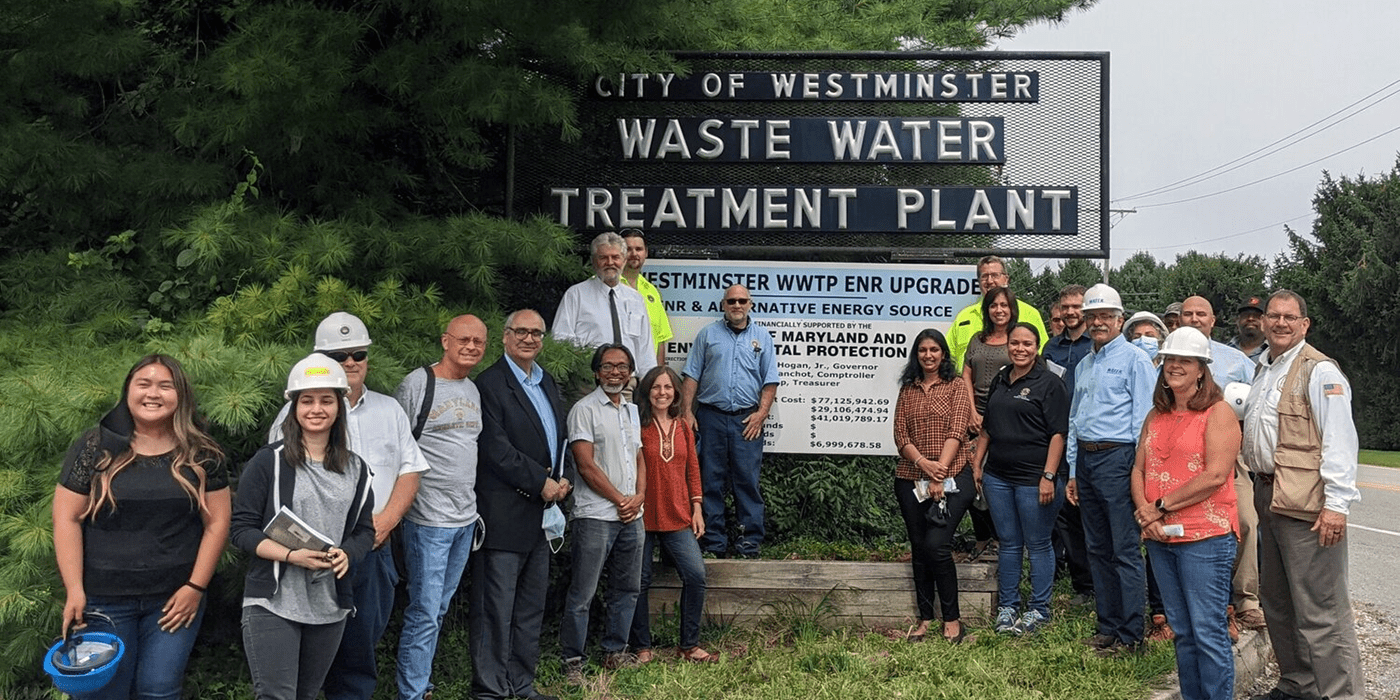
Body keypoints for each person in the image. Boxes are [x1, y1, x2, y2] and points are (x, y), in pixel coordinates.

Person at [267, 313, 429, 700]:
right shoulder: (292, 416)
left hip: (371, 552)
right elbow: (275, 487)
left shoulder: (389, 410)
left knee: (359, 654)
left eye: (358, 353)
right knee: (306, 655)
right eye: (339, 356)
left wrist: (384, 524)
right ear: (319, 359)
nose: (351, 362)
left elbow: (411, 470)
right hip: (311, 556)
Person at [54, 355, 229, 700]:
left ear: (181, 395)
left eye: (166, 385)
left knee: (159, 690)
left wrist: (195, 587)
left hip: (174, 600)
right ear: (128, 392)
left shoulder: (202, 453)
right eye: (144, 384)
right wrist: (74, 590)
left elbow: (218, 521)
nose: (154, 393)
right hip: (103, 599)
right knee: (104, 691)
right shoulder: (95, 447)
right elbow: (66, 518)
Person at [1241, 290, 1364, 700]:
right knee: (1277, 602)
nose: (1279, 323)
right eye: (1273, 316)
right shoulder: (1264, 369)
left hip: (1308, 506)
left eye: (1289, 317)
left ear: (1304, 324)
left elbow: (1340, 441)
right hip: (1268, 495)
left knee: (1321, 612)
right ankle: (1298, 685)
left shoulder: (1320, 371)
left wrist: (1336, 506)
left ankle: (1341, 694)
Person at [232, 354, 375, 700]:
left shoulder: (357, 469)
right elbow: (241, 529)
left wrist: (348, 554)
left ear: (339, 407)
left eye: (326, 400)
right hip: (273, 601)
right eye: (307, 400)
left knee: (308, 695)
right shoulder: (269, 461)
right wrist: (290, 555)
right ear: (294, 407)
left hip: (329, 604)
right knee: (276, 695)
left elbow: (365, 531)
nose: (316, 409)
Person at [1131, 327, 1241, 700]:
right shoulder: (1155, 415)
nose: (1175, 366)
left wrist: (1160, 507)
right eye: (1169, 360)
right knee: (1182, 629)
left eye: (1185, 361)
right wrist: (1148, 516)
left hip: (1204, 537)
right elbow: (1139, 470)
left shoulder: (1218, 412)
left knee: (1208, 631)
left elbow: (1214, 476)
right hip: (1161, 537)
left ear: (1201, 370)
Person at [470, 309, 573, 700]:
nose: (529, 339)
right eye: (521, 332)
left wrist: (563, 479)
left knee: (530, 608)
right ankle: (490, 691)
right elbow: (495, 449)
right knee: (495, 610)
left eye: (536, 333)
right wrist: (539, 483)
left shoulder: (546, 382)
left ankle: (521, 685)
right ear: (505, 336)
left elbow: (558, 440)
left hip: (542, 517)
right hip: (504, 514)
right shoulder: (490, 384)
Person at [393, 314, 487, 700]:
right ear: (445, 341)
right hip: (427, 521)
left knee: (439, 610)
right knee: (425, 612)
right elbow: (397, 448)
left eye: (478, 342)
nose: (471, 347)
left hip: (465, 519)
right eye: (463, 339)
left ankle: (422, 684)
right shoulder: (418, 384)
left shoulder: (473, 389)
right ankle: (412, 693)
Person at [1065, 283, 1157, 657]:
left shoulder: (1135, 360)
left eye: (1105, 316)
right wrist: (1072, 469)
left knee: (1124, 549)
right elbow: (1074, 420)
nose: (1098, 322)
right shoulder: (1085, 363)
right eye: (1092, 317)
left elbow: (1144, 423)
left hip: (1119, 459)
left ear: (1120, 320)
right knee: (1097, 548)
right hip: (1087, 460)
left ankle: (1131, 634)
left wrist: (1139, 472)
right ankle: (1108, 626)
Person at [972, 323, 1069, 636]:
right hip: (998, 476)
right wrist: (977, 465)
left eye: (1027, 344)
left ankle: (1039, 609)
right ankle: (1008, 607)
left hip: (1034, 479)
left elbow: (1058, 435)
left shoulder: (1050, 384)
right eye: (1015, 343)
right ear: (1008, 346)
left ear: (1037, 348)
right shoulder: (1002, 377)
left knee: (1038, 544)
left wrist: (1048, 476)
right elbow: (987, 427)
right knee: (1010, 544)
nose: (1020, 349)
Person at [560, 344, 647, 684]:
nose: (615, 372)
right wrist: (620, 499)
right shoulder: (584, 409)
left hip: (631, 516)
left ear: (630, 372)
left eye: (622, 366)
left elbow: (639, 457)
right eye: (608, 366)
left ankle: (614, 651)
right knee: (583, 592)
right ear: (596, 372)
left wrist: (639, 496)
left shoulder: (630, 410)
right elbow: (585, 465)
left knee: (627, 588)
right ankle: (572, 662)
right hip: (596, 514)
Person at [1179, 295, 1264, 635]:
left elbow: (1254, 409)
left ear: (1213, 321)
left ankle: (1246, 601)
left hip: (1229, 458)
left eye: (1202, 313)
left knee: (1245, 521)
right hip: (1182, 457)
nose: (1195, 318)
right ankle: (1192, 603)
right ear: (1179, 319)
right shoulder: (1165, 363)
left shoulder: (1235, 360)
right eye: (1189, 313)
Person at [680, 284, 780, 559]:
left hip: (746, 420)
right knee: (709, 480)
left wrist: (761, 415)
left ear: (750, 304)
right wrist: (687, 412)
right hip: (710, 417)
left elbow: (770, 381)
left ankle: (749, 543)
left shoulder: (762, 337)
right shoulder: (708, 335)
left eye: (742, 300)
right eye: (731, 301)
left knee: (746, 481)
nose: (737, 305)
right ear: (723, 305)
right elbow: (691, 376)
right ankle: (713, 542)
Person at [892, 329, 977, 644]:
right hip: (910, 477)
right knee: (919, 548)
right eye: (922, 350)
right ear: (917, 354)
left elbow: (957, 430)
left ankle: (952, 619)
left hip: (953, 475)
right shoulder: (908, 389)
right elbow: (901, 435)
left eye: (934, 350)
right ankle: (926, 617)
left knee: (937, 545)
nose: (928, 355)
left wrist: (938, 474)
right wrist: (923, 466)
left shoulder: (955, 386)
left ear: (943, 354)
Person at [629, 366, 714, 664]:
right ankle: (641, 646)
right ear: (647, 391)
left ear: (676, 392)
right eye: (656, 387)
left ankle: (688, 645)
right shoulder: (636, 425)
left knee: (696, 574)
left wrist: (697, 508)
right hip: (641, 515)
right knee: (638, 581)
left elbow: (692, 469)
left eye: (667, 387)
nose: (662, 393)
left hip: (678, 514)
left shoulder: (683, 428)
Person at [1041, 284, 1094, 605]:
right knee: (1066, 513)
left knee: (1094, 512)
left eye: (1077, 306)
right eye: (1066, 307)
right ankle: (1083, 585)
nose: (1071, 312)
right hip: (1057, 438)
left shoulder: (1097, 346)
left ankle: (1104, 582)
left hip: (1090, 438)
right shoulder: (1051, 348)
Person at [554, 231, 657, 379]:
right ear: (593, 261)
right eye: (603, 257)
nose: (610, 263)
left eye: (615, 257)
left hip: (627, 385)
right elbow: (561, 339)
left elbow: (645, 348)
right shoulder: (576, 294)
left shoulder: (636, 299)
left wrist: (648, 383)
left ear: (623, 260)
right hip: (589, 382)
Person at [947, 255, 1047, 374]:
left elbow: (1042, 355)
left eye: (995, 275)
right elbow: (948, 356)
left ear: (1006, 279)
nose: (990, 281)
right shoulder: (964, 316)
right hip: (969, 390)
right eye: (984, 276)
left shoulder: (1030, 313)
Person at [961, 286, 1018, 432]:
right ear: (987, 310)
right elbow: (966, 376)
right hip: (976, 416)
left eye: (1004, 305)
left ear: (1012, 309)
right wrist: (971, 412)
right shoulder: (977, 339)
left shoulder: (1019, 339)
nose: (999, 310)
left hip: (1008, 416)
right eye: (993, 305)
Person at [620, 229, 674, 369]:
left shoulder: (652, 291)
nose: (634, 254)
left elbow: (660, 339)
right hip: (617, 374)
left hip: (646, 375)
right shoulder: (607, 286)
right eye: (628, 249)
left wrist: (658, 376)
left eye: (639, 249)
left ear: (646, 253)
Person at [1230, 294, 1268, 363]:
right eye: (1245, 315)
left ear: (1265, 321)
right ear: (1237, 321)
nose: (1250, 319)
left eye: (1257, 316)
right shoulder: (1226, 350)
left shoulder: (1273, 353)